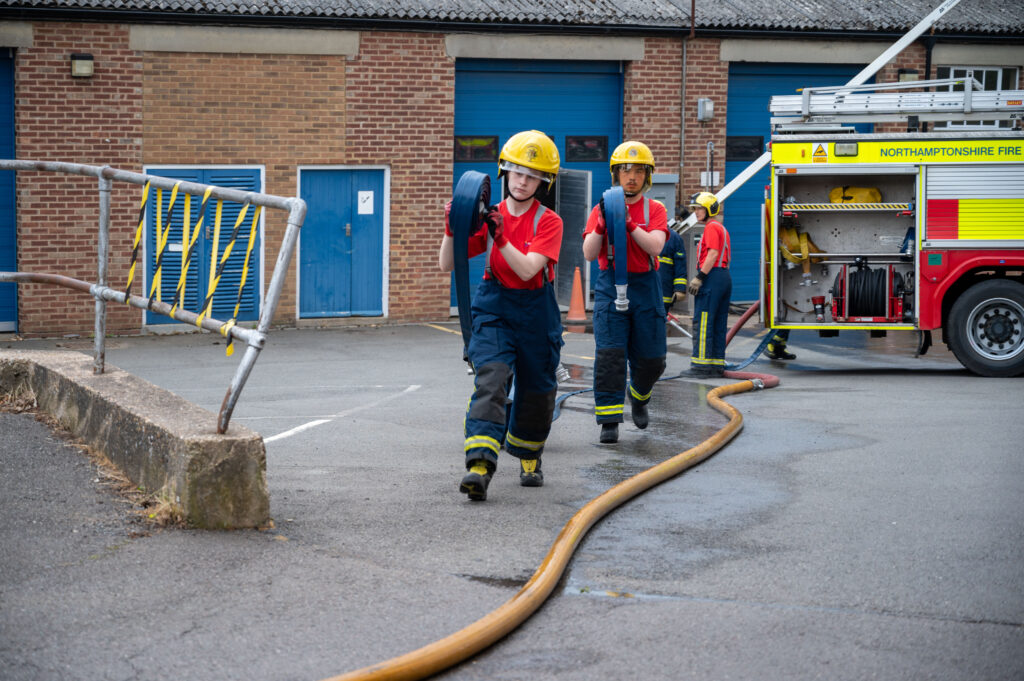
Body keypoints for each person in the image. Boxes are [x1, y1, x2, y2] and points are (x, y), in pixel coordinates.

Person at [438, 130, 564, 501]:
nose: (522, 181)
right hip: (494, 307)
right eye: (516, 172)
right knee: (491, 379)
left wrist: (501, 237)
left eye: (532, 175)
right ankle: (480, 466)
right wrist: (453, 228)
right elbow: (448, 262)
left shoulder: (549, 221)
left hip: (536, 311)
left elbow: (528, 270)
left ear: (544, 181)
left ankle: (528, 455)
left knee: (537, 392)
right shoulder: (488, 217)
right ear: (503, 172)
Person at [582, 141, 669, 444]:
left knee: (653, 359)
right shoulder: (600, 208)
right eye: (625, 170)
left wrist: (629, 223)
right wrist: (602, 225)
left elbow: (656, 246)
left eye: (638, 171)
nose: (631, 176)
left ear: (648, 176)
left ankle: (640, 396)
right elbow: (589, 253)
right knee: (610, 355)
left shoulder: (655, 209)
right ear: (615, 174)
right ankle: (609, 420)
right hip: (610, 284)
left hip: (645, 286)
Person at [686, 192, 732, 377]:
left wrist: (699, 277)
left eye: (698, 208)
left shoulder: (711, 228)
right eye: (695, 209)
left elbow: (712, 254)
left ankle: (701, 367)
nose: (696, 212)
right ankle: (715, 365)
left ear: (709, 209)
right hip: (723, 277)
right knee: (718, 323)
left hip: (712, 277)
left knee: (703, 322)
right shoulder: (721, 228)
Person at [659, 227, 687, 314]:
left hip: (664, 292)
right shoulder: (641, 233)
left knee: (660, 321)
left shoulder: (674, 238)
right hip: (643, 291)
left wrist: (680, 289)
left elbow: (680, 266)